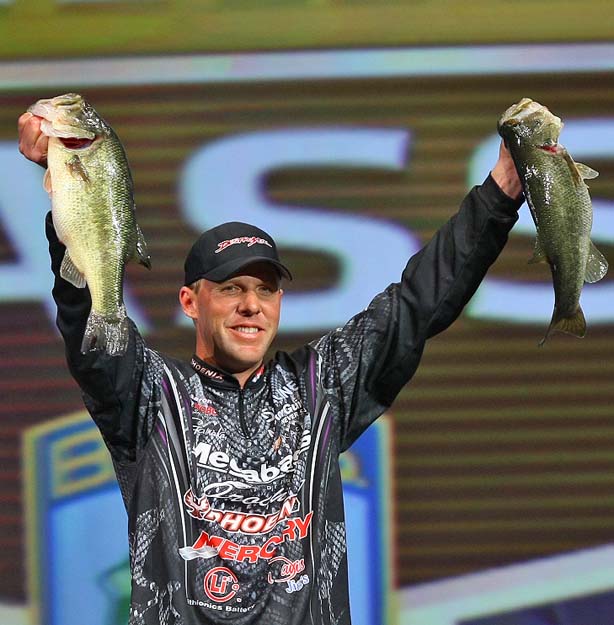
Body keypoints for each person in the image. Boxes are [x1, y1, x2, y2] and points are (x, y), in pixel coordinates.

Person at [18, 111, 523, 625]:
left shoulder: (320, 386)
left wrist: (501, 191)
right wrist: (68, 185)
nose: (251, 305)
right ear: (190, 302)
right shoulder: (149, 395)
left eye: (266, 289)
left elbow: (419, 301)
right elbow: (87, 315)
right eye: (231, 288)